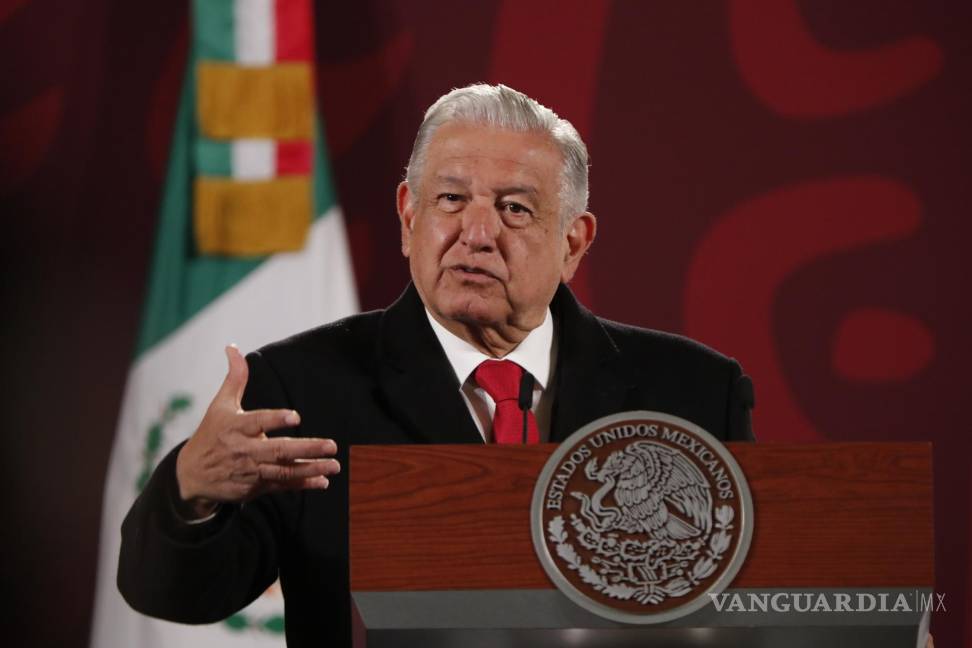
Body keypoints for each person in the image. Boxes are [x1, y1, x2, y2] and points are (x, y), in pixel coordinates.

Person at [118, 83, 755, 648]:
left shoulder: (695, 394)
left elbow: (752, 607)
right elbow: (177, 596)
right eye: (451, 199)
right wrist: (189, 490)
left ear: (573, 242)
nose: (476, 233)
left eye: (514, 208)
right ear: (408, 216)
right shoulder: (302, 388)